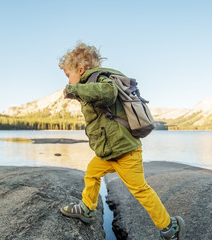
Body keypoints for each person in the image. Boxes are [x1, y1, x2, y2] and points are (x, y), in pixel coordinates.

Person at [59, 42, 185, 239]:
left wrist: (74, 90)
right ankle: (87, 208)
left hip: (126, 151)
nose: (68, 80)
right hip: (109, 152)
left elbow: (108, 93)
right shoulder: (91, 84)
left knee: (140, 190)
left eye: (68, 75)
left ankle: (170, 227)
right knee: (91, 173)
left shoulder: (99, 79)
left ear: (80, 69)